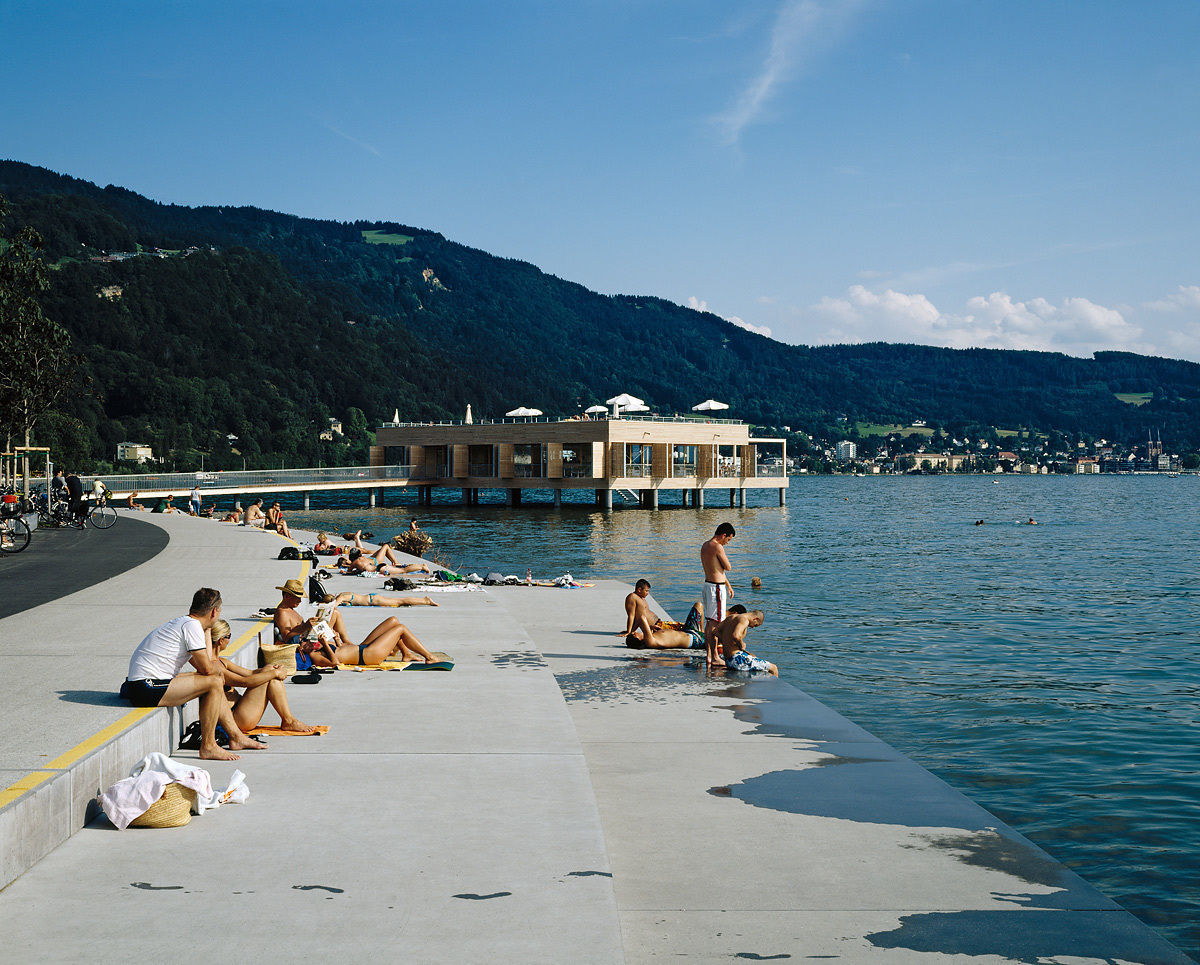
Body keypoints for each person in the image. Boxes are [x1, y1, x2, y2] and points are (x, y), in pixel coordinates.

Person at [120, 587, 268, 760]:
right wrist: (220, 668)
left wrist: (207, 630)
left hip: (145, 684)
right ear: (214, 611)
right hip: (146, 687)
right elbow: (207, 668)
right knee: (214, 681)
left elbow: (204, 666)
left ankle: (235, 737)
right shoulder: (191, 626)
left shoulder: (186, 623)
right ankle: (209, 745)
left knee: (213, 680)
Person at [272, 579, 438, 666]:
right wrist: (307, 628)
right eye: (297, 598)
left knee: (393, 620)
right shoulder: (282, 614)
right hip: (366, 655)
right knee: (400, 628)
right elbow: (287, 638)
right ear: (286, 596)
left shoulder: (292, 613)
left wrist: (333, 639)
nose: (300, 601)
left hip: (361, 648)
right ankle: (429, 657)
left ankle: (407, 654)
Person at [209, 618, 315, 734]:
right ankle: (288, 720)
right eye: (229, 636)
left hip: (240, 710)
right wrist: (274, 673)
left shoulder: (222, 661)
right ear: (221, 640)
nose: (229, 640)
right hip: (235, 719)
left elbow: (250, 673)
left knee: (269, 672)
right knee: (270, 675)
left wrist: (273, 668)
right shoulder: (214, 666)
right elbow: (245, 682)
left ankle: (288, 720)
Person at [617, 579, 704, 650]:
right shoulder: (650, 642)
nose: (648, 593)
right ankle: (702, 633)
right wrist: (630, 631)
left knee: (698, 605)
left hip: (689, 631)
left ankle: (701, 630)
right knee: (714, 634)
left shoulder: (651, 636)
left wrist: (650, 628)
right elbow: (639, 617)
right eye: (646, 591)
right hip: (695, 639)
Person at [700, 522, 736, 666]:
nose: (727, 543)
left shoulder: (705, 545)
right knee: (717, 624)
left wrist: (728, 585)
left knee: (709, 622)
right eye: (728, 540)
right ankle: (715, 656)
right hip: (716, 589)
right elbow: (727, 567)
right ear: (723, 535)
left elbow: (716, 568)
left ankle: (709, 655)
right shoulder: (717, 547)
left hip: (709, 585)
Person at [337, 531, 437, 577]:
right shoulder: (361, 559)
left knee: (403, 570)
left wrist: (344, 570)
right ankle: (417, 566)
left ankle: (422, 567)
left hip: (380, 567)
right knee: (402, 569)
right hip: (378, 566)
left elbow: (348, 571)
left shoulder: (355, 562)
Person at [715, 608, 777, 676]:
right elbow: (736, 635)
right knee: (773, 668)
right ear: (756, 619)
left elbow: (715, 631)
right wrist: (742, 644)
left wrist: (726, 640)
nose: (753, 627)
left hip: (728, 660)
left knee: (754, 658)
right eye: (755, 625)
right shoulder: (744, 619)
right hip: (737, 660)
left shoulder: (731, 617)